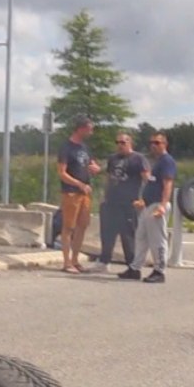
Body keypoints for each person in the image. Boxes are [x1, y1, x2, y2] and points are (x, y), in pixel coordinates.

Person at [120, 131, 177, 283]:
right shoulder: (156, 162)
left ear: (165, 144)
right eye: (151, 142)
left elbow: (167, 184)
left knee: (157, 240)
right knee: (141, 237)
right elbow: (152, 183)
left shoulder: (167, 161)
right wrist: (143, 201)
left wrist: (163, 206)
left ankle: (159, 271)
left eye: (157, 143)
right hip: (148, 205)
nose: (153, 145)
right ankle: (135, 268)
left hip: (158, 205)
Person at [56, 116, 101, 274]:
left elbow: (90, 163)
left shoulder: (85, 148)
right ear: (80, 128)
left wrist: (95, 168)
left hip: (85, 192)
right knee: (68, 227)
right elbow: (62, 173)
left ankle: (75, 260)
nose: (91, 132)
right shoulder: (66, 147)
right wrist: (78, 184)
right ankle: (66, 262)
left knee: (82, 226)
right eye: (89, 129)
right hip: (71, 192)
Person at [98, 131, 148, 272]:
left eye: (123, 142)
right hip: (111, 201)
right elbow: (108, 177)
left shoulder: (138, 159)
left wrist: (143, 199)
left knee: (128, 235)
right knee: (107, 233)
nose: (119, 145)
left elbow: (146, 179)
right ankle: (104, 262)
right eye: (117, 142)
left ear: (129, 143)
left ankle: (132, 265)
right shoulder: (112, 158)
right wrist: (103, 195)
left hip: (129, 203)